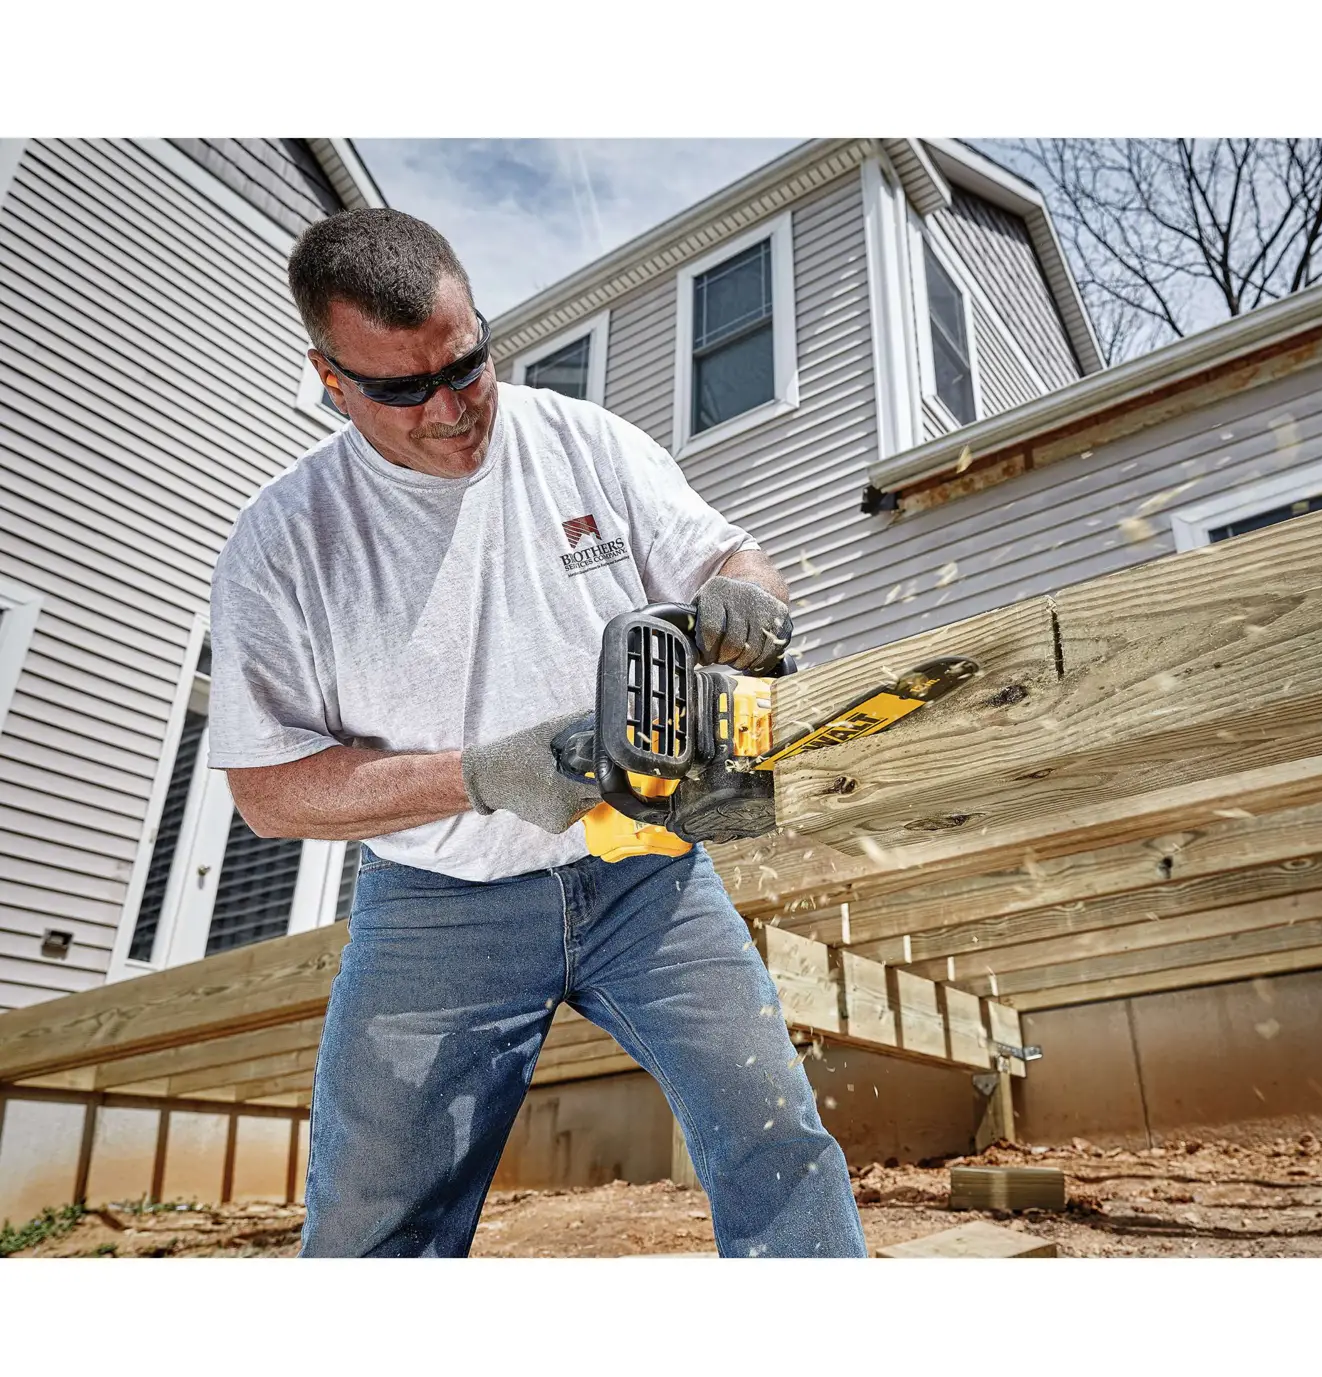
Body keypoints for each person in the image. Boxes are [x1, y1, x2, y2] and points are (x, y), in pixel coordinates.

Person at [208, 207, 867, 1259]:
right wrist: (479, 775)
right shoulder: (286, 543)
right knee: (372, 1224)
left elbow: (733, 560)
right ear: (333, 382)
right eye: (402, 388)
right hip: (437, 905)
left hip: (646, 866)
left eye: (466, 364)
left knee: (775, 1138)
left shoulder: (581, 441)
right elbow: (270, 791)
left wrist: (748, 602)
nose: (452, 407)